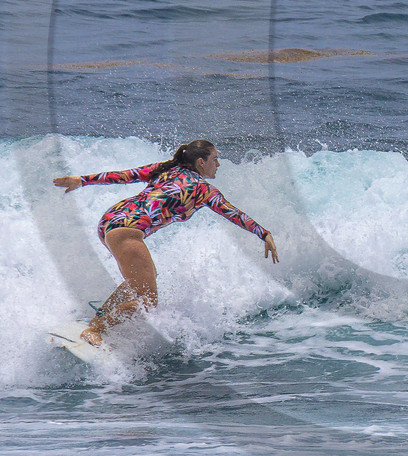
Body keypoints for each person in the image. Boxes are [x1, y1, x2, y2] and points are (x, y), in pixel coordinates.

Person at [52, 139, 279, 346]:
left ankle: (99, 318)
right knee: (148, 301)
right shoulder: (203, 189)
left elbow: (125, 175)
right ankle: (95, 329)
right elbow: (232, 213)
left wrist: (81, 181)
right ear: (201, 162)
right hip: (127, 231)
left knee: (141, 281)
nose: (218, 164)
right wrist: (263, 233)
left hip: (110, 220)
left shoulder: (167, 168)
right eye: (215, 159)